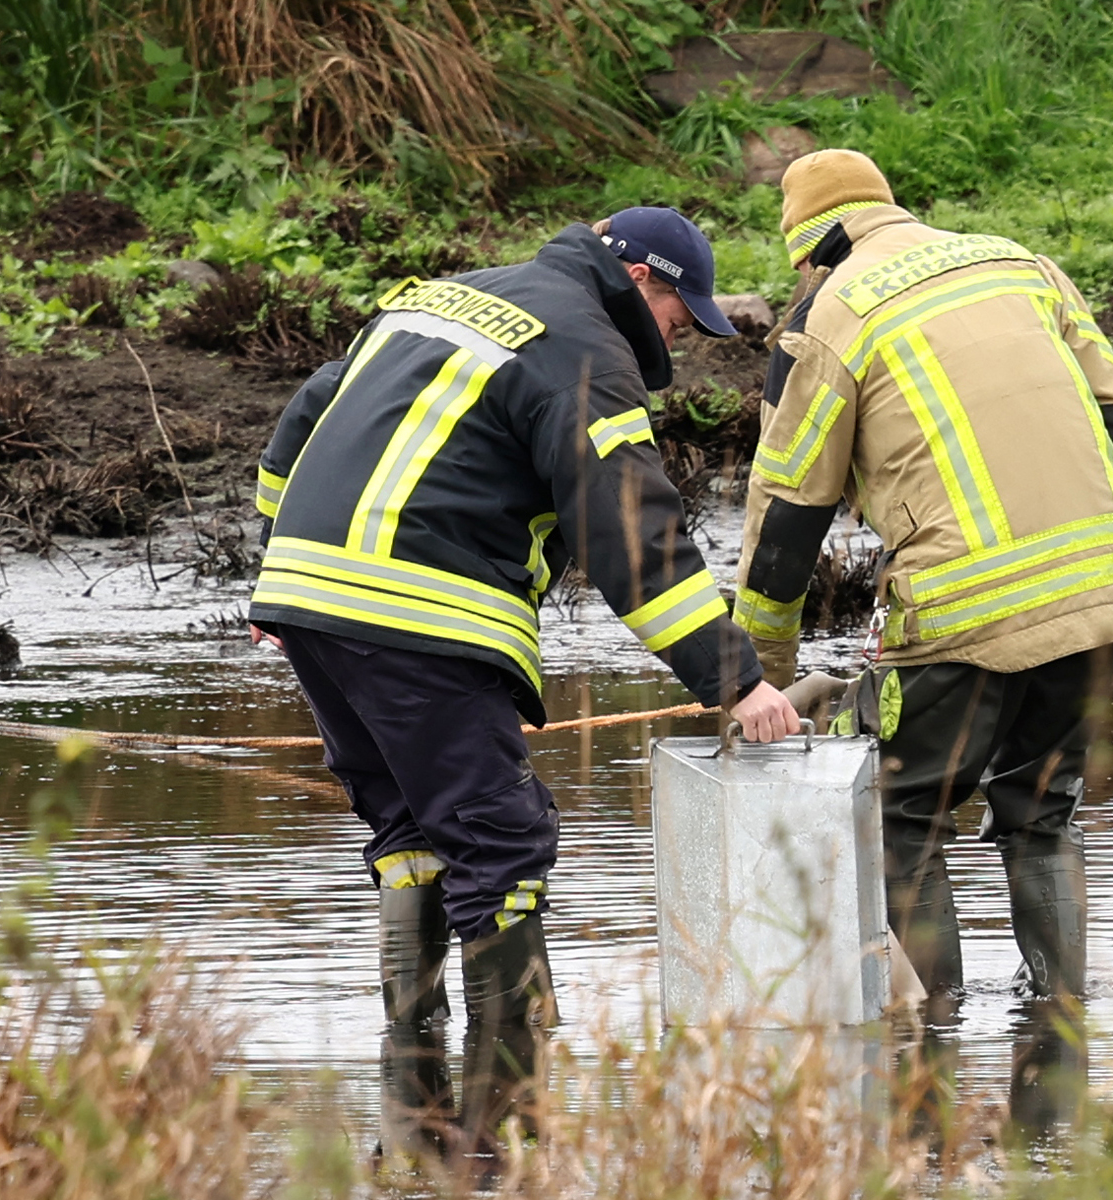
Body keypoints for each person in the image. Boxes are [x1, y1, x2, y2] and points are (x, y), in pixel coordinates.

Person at [247, 206, 798, 1174]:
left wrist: (274, 566)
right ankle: (506, 1130)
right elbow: (627, 529)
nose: (682, 336)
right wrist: (737, 681)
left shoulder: (457, 294)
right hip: (420, 611)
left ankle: (414, 1121)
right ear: (641, 280)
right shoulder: (581, 348)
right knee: (502, 845)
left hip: (307, 598)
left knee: (411, 838)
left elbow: (306, 417)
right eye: (681, 313)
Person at [734, 149, 1113, 1005]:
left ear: (811, 254)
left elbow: (785, 527)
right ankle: (1059, 1021)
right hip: (1096, 597)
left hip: (959, 609)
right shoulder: (1021, 264)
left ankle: (940, 1044)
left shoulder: (829, 318)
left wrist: (763, 682)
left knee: (902, 820)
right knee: (1042, 815)